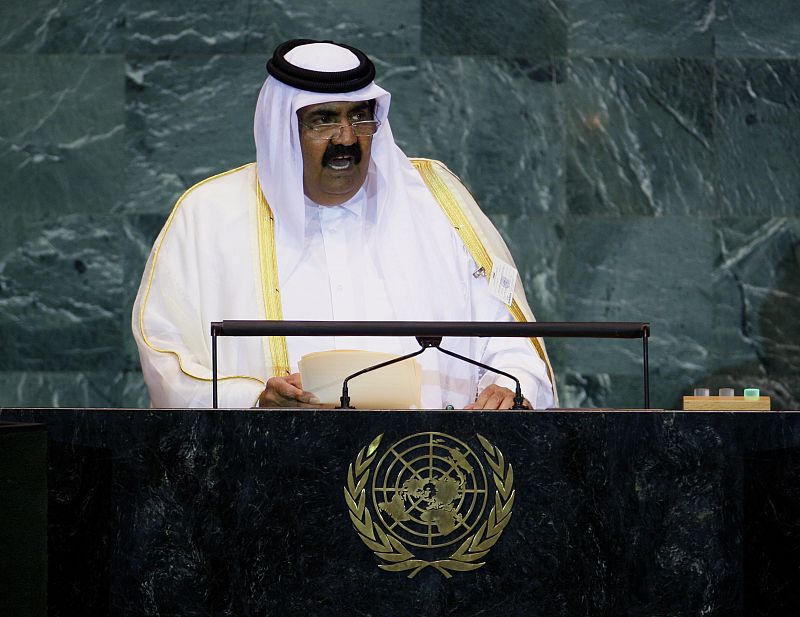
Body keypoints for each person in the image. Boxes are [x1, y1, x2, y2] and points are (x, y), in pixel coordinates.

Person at [132, 39, 557, 410]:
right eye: (323, 119)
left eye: (360, 116)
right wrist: (254, 400)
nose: (347, 138)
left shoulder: (437, 201)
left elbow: (508, 333)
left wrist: (509, 383)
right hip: (270, 479)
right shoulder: (208, 216)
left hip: (420, 477)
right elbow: (165, 352)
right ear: (285, 127)